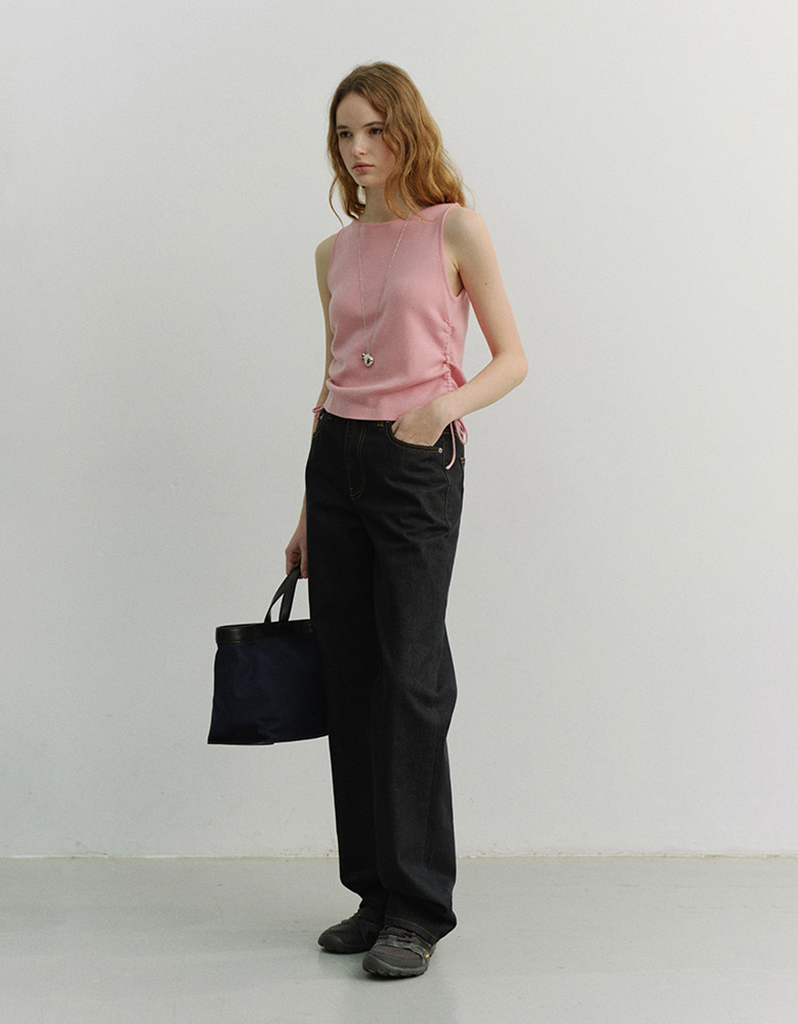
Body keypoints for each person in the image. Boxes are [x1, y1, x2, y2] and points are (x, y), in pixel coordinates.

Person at [285, 62, 527, 978]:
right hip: (336, 463)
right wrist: (306, 510)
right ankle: (374, 894)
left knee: (412, 676)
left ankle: (419, 909)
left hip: (416, 462)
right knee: (348, 675)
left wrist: (439, 410)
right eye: (345, 133)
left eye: (375, 130)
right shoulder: (332, 252)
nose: (359, 149)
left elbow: (512, 358)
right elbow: (331, 380)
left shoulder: (454, 229)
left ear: (407, 131)